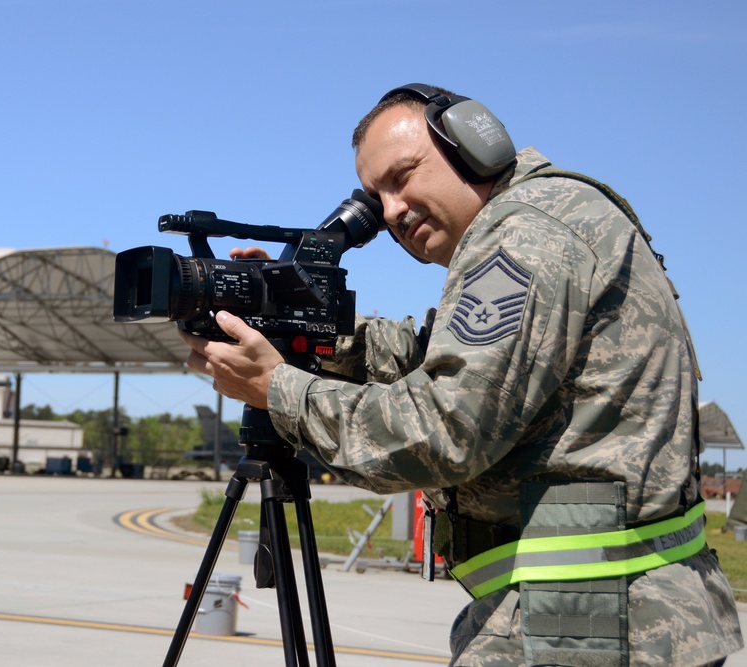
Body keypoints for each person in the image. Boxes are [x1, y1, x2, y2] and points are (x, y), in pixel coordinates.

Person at [180, 83, 743, 666]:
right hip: (612, 619)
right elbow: (440, 362)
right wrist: (303, 320)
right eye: (377, 196)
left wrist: (278, 389)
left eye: (403, 176)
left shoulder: (524, 235)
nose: (393, 210)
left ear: (475, 144)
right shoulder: (555, 217)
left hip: (590, 627)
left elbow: (442, 431)